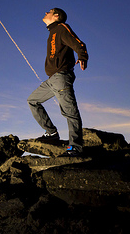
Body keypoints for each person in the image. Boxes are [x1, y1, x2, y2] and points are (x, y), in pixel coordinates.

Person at [27, 8, 89, 157]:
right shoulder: (52, 32)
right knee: (32, 101)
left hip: (61, 77)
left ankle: (75, 147)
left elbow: (79, 43)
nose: (45, 12)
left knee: (70, 112)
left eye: (49, 11)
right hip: (52, 80)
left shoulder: (61, 27)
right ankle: (51, 133)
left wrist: (82, 56)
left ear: (56, 16)